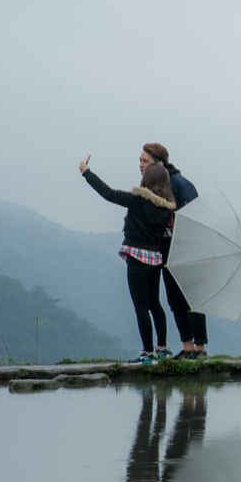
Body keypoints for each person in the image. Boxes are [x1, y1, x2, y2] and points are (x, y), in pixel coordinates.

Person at [79, 149, 176, 363]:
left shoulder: (139, 200)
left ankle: (148, 353)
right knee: (155, 304)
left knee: (141, 307)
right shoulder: (166, 208)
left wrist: (87, 172)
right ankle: (162, 349)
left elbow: (108, 193)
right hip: (155, 259)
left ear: (147, 180)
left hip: (137, 257)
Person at [142, 143, 209, 360]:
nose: (141, 166)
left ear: (160, 164)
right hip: (166, 249)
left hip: (187, 247)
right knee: (174, 299)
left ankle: (200, 348)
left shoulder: (180, 183)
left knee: (192, 297)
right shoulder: (153, 187)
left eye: (146, 162)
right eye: (141, 162)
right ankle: (187, 347)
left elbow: (196, 215)